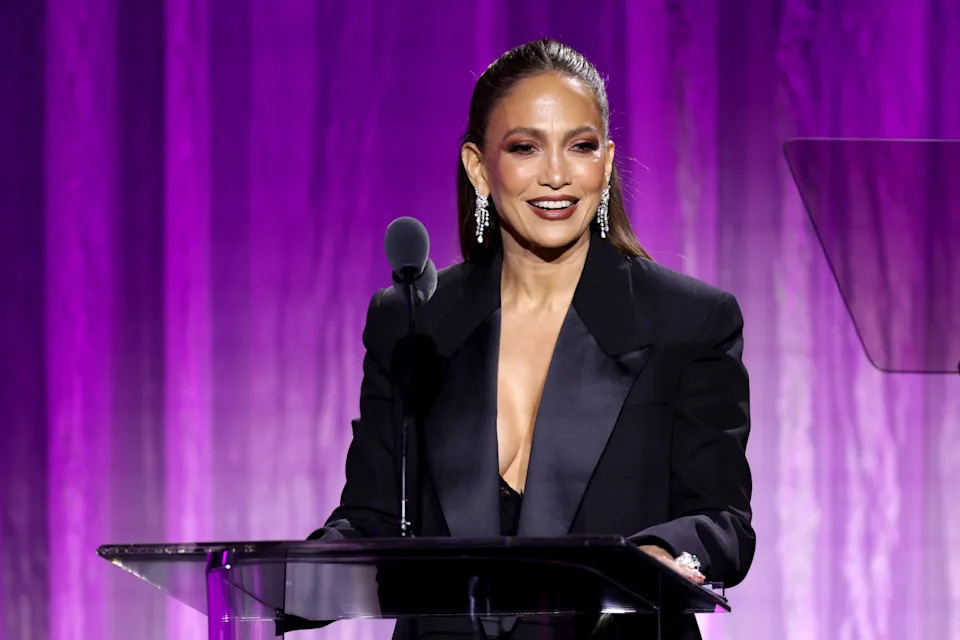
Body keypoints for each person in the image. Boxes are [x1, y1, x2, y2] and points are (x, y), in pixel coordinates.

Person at [310, 39, 754, 639]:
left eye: (581, 146)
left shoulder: (689, 321)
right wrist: (286, 579)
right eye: (525, 147)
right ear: (478, 167)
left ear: (606, 161)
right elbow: (372, 517)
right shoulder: (413, 322)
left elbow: (722, 520)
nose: (555, 175)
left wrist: (661, 554)